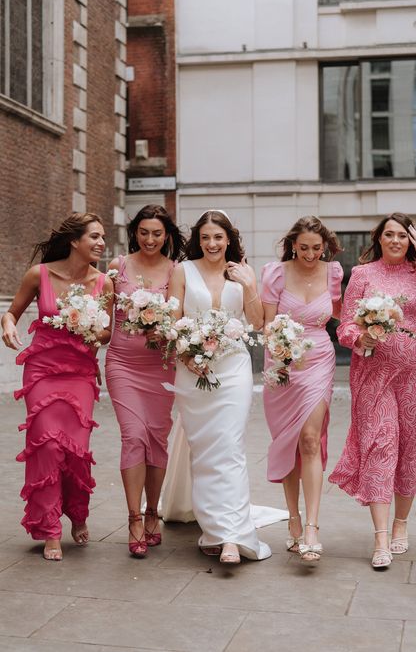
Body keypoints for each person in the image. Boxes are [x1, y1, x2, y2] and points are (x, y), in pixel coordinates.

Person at [329, 213, 416, 569]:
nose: (396, 241)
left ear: (411, 239)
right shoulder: (363, 274)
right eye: (390, 235)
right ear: (379, 239)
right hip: (373, 372)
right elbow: (344, 326)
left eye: (403, 235)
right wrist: (362, 337)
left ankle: (401, 523)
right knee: (382, 441)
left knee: (411, 442)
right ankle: (381, 538)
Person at [1, 213, 113, 561]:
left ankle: (77, 513)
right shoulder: (40, 275)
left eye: (103, 237)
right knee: (47, 446)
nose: (101, 243)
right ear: (74, 241)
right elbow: (12, 312)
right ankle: (50, 528)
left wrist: (92, 330)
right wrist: (7, 327)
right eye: (94, 236)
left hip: (79, 372)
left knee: (76, 451)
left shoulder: (104, 283)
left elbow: (108, 332)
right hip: (42, 371)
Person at [167, 209, 271, 564]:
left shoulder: (241, 272)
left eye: (219, 237)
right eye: (206, 237)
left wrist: (250, 285)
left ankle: (232, 535)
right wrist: (187, 357)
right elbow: (173, 320)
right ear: (198, 239)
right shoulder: (183, 270)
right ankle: (212, 527)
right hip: (192, 368)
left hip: (233, 367)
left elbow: (256, 323)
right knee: (205, 450)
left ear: (229, 239)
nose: (212, 244)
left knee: (230, 445)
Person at [260, 216, 343, 563]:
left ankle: (312, 526)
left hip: (320, 359)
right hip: (282, 361)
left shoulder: (334, 273)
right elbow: (266, 325)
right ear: (293, 244)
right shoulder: (275, 273)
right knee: (289, 441)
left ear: (324, 246)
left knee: (310, 439)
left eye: (316, 248)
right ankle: (292, 517)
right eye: (304, 247)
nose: (310, 254)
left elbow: (339, 316)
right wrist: (278, 349)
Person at [105, 205, 185, 558]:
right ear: (134, 232)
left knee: (157, 440)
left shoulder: (175, 271)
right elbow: (105, 323)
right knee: (133, 436)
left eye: (157, 233)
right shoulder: (116, 268)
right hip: (122, 363)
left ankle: (154, 510)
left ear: (166, 236)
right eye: (143, 232)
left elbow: (178, 320)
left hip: (160, 365)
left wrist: (162, 330)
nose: (150, 239)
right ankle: (134, 517)